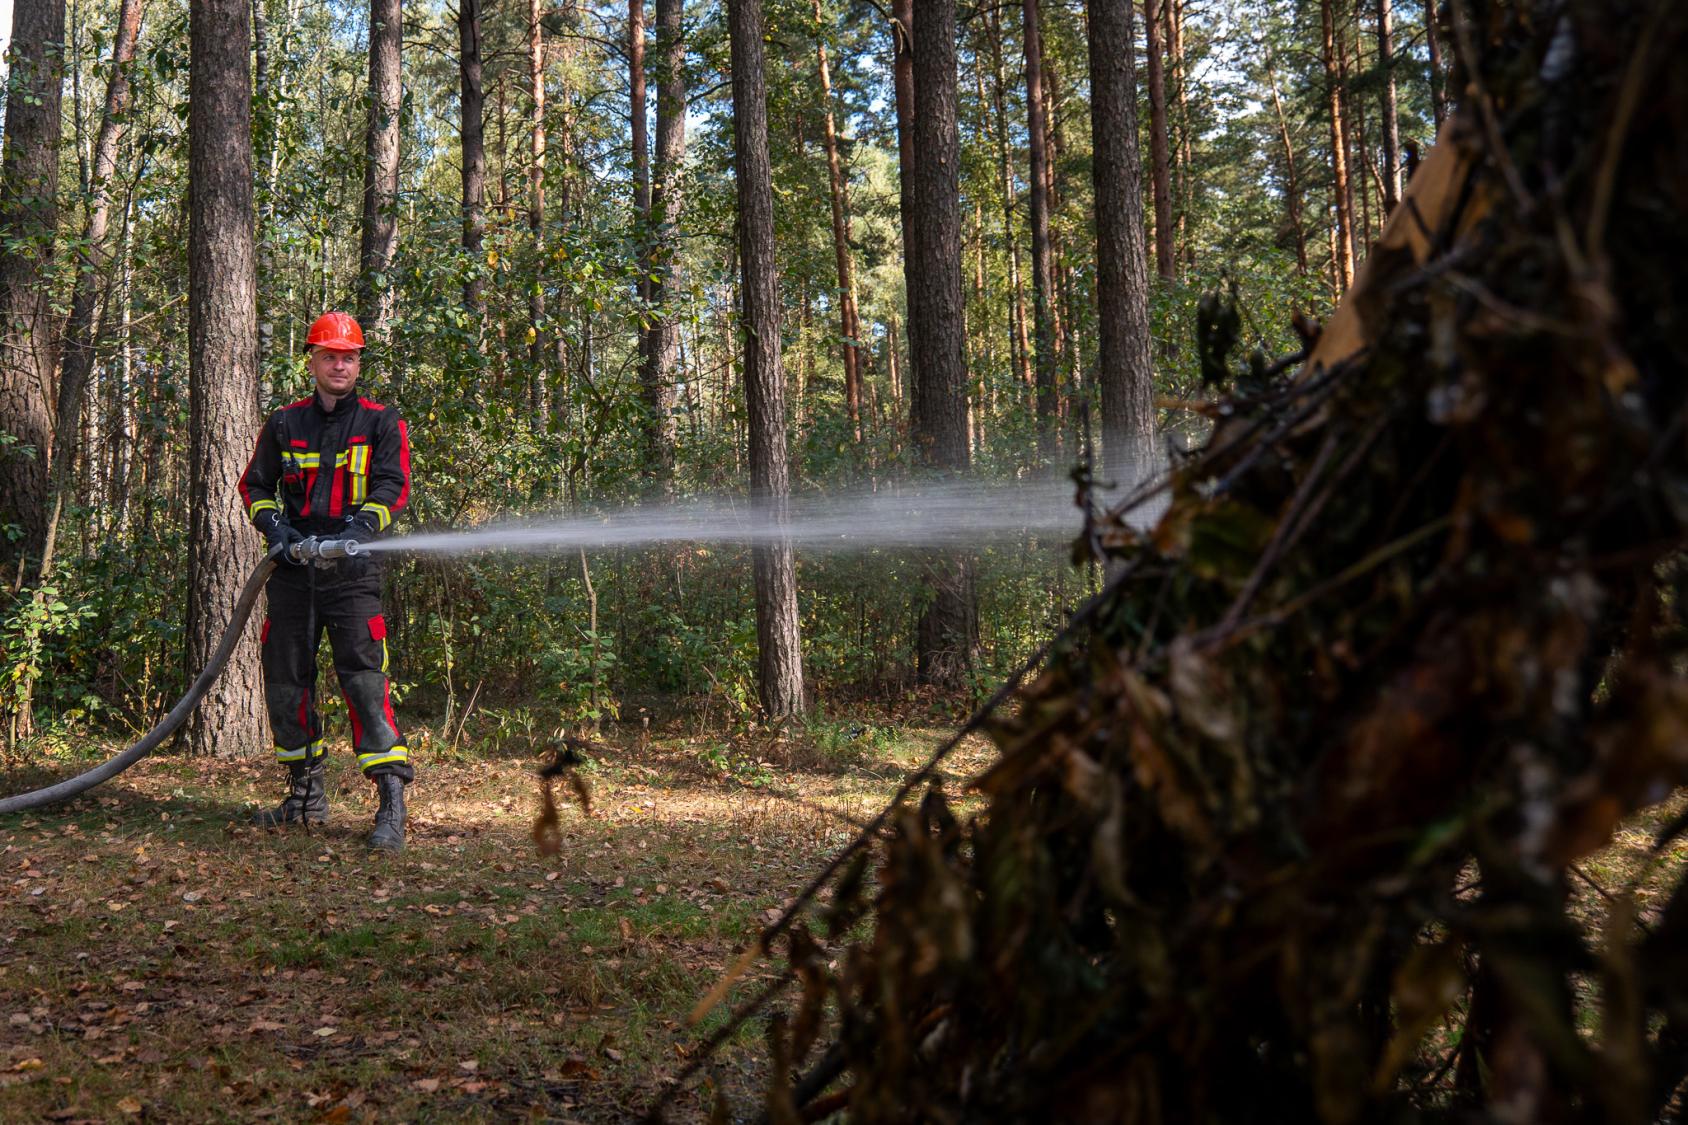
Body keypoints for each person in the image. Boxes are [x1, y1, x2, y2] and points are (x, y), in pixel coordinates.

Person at [238, 311, 414, 851]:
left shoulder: (382, 422)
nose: (340, 364)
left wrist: (361, 528)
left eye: (350, 356)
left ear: (359, 364)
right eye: (330, 355)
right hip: (293, 575)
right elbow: (256, 487)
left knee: (364, 681)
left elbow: (393, 486)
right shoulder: (285, 424)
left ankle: (390, 804)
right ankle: (305, 797)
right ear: (312, 360)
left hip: (353, 576)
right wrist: (276, 528)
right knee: (287, 682)